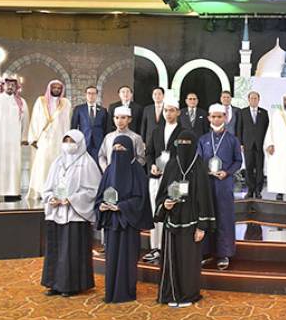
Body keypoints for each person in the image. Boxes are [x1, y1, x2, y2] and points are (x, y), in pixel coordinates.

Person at [155, 130, 215, 307]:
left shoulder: (200, 166)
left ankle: (188, 295)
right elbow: (162, 194)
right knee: (171, 259)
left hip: (192, 222)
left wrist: (202, 227)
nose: (183, 147)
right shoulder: (172, 165)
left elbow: (205, 198)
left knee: (188, 261)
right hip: (172, 220)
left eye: (187, 143)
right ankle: (171, 294)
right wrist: (165, 204)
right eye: (180, 143)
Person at [41, 130, 101, 297]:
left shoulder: (88, 163)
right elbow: (47, 187)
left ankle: (72, 285)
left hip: (75, 215)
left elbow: (94, 190)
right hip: (57, 212)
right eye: (66, 140)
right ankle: (54, 283)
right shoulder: (57, 161)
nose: (68, 144)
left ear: (80, 143)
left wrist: (72, 199)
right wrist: (51, 197)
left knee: (71, 251)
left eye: (72, 141)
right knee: (55, 249)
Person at [95, 135, 153, 303]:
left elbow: (141, 200)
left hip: (128, 224)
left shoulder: (137, 171)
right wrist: (101, 206)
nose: (118, 151)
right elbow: (100, 196)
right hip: (111, 223)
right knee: (112, 259)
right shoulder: (109, 170)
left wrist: (121, 206)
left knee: (127, 259)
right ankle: (111, 292)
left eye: (122, 148)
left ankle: (126, 292)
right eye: (115, 148)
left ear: (130, 150)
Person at [198, 103, 242, 270]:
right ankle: (206, 252)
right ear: (209, 118)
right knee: (207, 216)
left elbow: (238, 161)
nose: (216, 119)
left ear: (225, 117)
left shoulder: (232, 139)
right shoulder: (203, 139)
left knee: (224, 217)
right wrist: (205, 171)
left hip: (224, 184)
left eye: (219, 116)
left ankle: (224, 253)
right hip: (207, 183)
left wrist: (227, 172)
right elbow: (198, 160)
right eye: (213, 116)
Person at [143, 97, 182, 263]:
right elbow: (149, 153)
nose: (168, 113)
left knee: (174, 209)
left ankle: (172, 246)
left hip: (175, 180)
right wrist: (152, 165)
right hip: (156, 177)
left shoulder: (184, 132)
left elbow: (185, 157)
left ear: (178, 112)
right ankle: (156, 247)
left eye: (171, 110)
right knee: (156, 210)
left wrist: (171, 169)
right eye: (166, 110)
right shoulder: (156, 131)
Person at [27, 80, 72, 199]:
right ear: (49, 88)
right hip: (44, 139)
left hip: (59, 139)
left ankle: (57, 192)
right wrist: (33, 138)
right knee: (43, 165)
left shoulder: (66, 103)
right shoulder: (41, 101)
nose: (56, 89)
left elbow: (67, 122)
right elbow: (35, 119)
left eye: (59, 88)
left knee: (58, 166)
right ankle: (42, 192)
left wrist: (67, 138)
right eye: (54, 87)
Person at [0, 75, 29, 201]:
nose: (10, 87)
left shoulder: (21, 102)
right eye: (8, 84)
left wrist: (24, 137)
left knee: (13, 166)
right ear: (2, 86)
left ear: (16, 87)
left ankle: (12, 193)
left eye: (13, 85)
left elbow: (25, 121)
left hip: (14, 141)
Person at [237, 91, 269, 199]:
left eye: (255, 98)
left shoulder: (264, 112)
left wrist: (266, 143)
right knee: (249, 168)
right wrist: (240, 143)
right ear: (248, 99)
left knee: (260, 168)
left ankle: (258, 190)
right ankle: (250, 190)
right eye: (252, 98)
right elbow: (239, 128)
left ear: (259, 100)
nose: (253, 100)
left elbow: (267, 129)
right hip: (247, 145)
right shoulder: (243, 112)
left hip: (260, 145)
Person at [98, 106, 145, 171]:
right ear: (113, 119)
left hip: (130, 174)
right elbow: (101, 155)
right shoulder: (108, 137)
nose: (119, 121)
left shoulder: (136, 138)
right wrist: (106, 169)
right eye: (117, 118)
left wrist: (131, 168)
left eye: (123, 118)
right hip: (111, 173)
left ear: (129, 119)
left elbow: (142, 159)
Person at [71, 86, 108, 161]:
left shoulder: (103, 110)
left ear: (96, 95)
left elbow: (105, 127)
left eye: (93, 93)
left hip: (98, 141)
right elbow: (73, 126)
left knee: (98, 162)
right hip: (84, 140)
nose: (91, 95)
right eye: (89, 93)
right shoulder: (79, 109)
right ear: (86, 95)